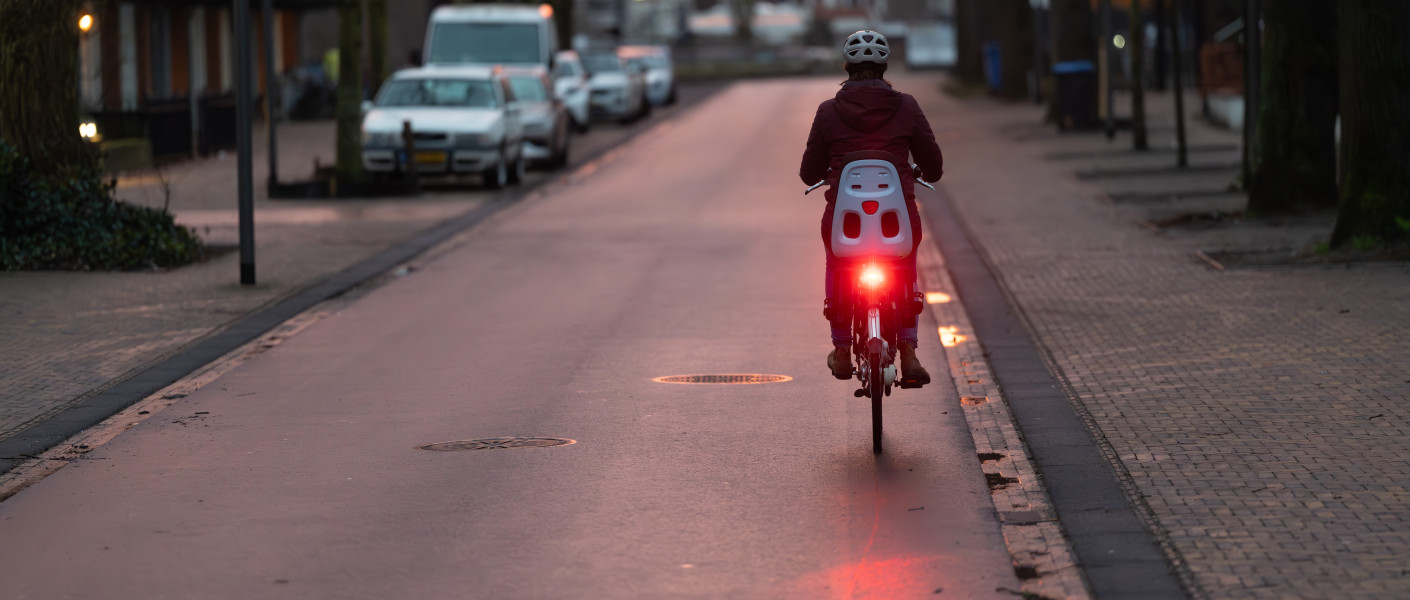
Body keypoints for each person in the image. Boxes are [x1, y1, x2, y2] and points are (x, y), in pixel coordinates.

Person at [798, 30, 944, 385]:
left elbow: (808, 173)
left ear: (847, 68)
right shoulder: (906, 106)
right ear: (884, 68)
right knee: (906, 264)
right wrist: (922, 171)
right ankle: (908, 352)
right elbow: (934, 164)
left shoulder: (828, 111)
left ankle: (843, 350)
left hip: (844, 223)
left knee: (838, 262)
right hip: (898, 220)